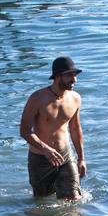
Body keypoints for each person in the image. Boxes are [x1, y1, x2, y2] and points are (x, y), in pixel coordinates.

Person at [20, 56, 86, 200]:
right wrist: (45, 148)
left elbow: (75, 129)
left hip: (65, 155)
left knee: (74, 199)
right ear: (57, 76)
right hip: (40, 158)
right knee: (42, 202)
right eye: (69, 75)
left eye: (75, 75)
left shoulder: (75, 98)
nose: (74, 80)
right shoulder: (37, 98)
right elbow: (24, 131)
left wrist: (81, 159)